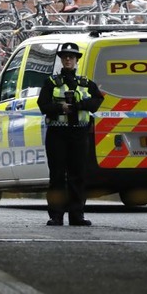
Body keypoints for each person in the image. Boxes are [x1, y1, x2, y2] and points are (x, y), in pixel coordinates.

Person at [37, 42, 104, 226]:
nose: (68, 59)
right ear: (61, 59)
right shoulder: (51, 83)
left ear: (76, 60)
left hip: (79, 135)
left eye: (71, 57)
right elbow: (43, 105)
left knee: (78, 175)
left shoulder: (85, 83)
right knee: (57, 176)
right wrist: (60, 107)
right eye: (65, 56)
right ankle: (56, 216)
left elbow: (98, 100)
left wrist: (81, 105)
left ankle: (77, 215)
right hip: (57, 134)